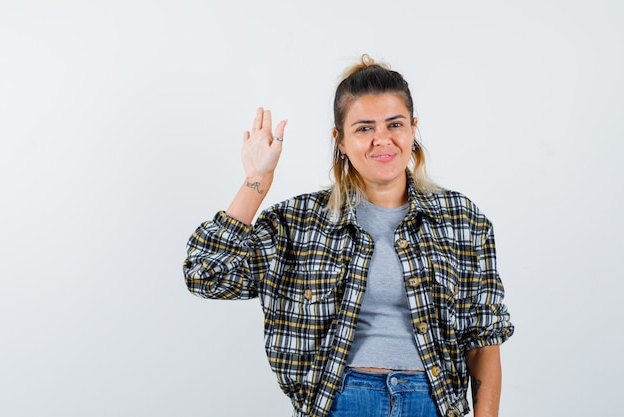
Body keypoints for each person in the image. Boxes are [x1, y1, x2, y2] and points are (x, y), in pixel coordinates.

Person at [183, 54, 514, 417]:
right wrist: (257, 179)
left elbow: (483, 342)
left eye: (395, 124)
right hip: (343, 401)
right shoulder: (300, 222)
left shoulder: (461, 219)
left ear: (413, 129)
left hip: (430, 402)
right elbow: (206, 275)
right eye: (364, 128)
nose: (382, 140)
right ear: (339, 140)